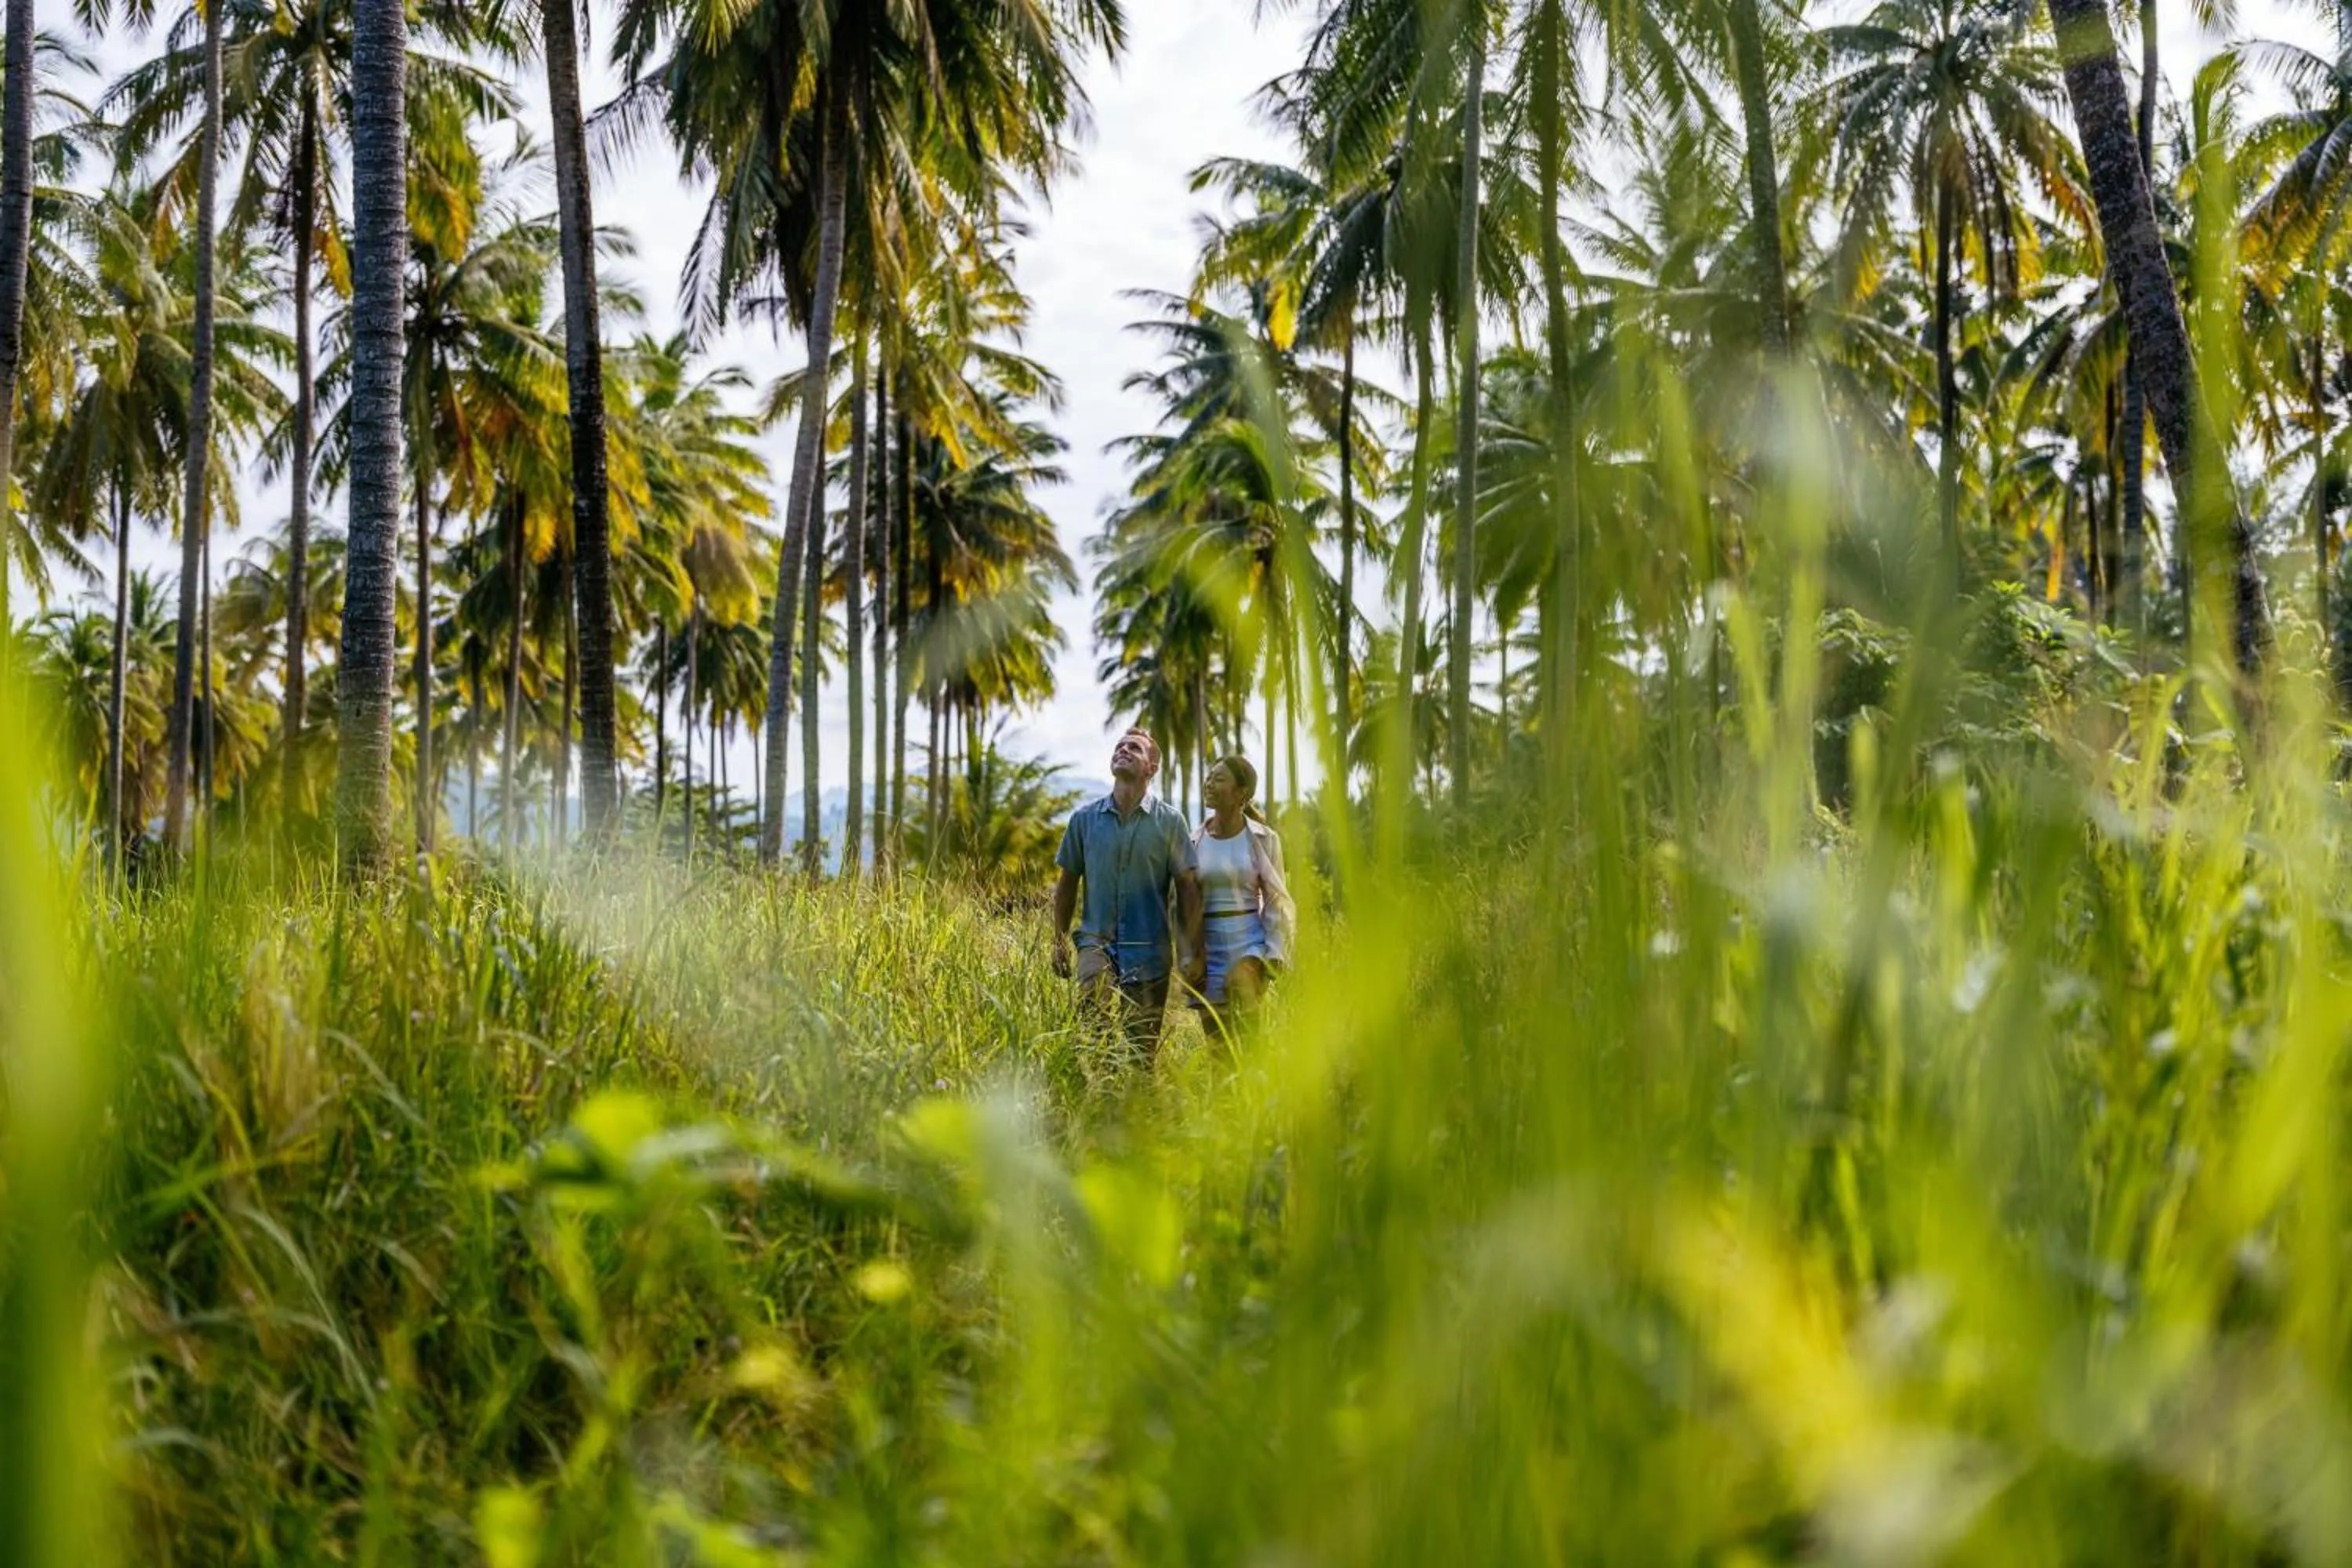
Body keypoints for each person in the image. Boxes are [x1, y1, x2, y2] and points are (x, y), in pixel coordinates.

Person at [1051, 727, 1203, 1065]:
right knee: (1094, 1040)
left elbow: (1188, 889)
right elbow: (1066, 884)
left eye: (1134, 748)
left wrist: (1190, 949)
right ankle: (1096, 1105)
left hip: (1150, 951)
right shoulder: (1084, 820)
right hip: (1096, 943)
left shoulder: (1170, 822)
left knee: (1141, 1055)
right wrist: (1058, 940)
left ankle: (1137, 1110)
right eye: (1119, 746)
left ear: (1152, 767)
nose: (1123, 750)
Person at [1189, 754, 1295, 1040]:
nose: (1209, 783)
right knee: (1218, 1046)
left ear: (1241, 793)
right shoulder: (1193, 841)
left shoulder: (1264, 838)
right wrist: (1190, 954)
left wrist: (1274, 952)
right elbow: (1185, 903)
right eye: (1209, 777)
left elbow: (1275, 899)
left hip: (1248, 942)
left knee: (1245, 1019)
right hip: (1207, 948)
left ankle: (1257, 1080)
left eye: (1219, 778)